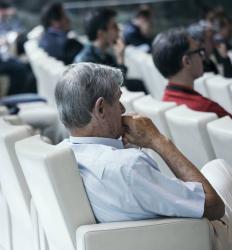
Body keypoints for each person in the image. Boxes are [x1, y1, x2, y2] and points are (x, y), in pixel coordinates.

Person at [55, 62, 232, 249]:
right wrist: (157, 141)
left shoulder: (61, 156)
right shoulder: (127, 166)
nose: (123, 110)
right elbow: (214, 206)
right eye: (117, 101)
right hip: (194, 238)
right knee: (219, 166)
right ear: (100, 109)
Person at [152, 28, 231, 117]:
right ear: (187, 61)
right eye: (199, 52)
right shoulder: (207, 109)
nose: (202, 58)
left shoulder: (166, 102)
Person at [74, 9, 147, 93]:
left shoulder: (105, 56)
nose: (119, 30)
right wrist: (120, 60)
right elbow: (116, 89)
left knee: (137, 83)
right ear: (101, 33)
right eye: (114, 26)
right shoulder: (86, 63)